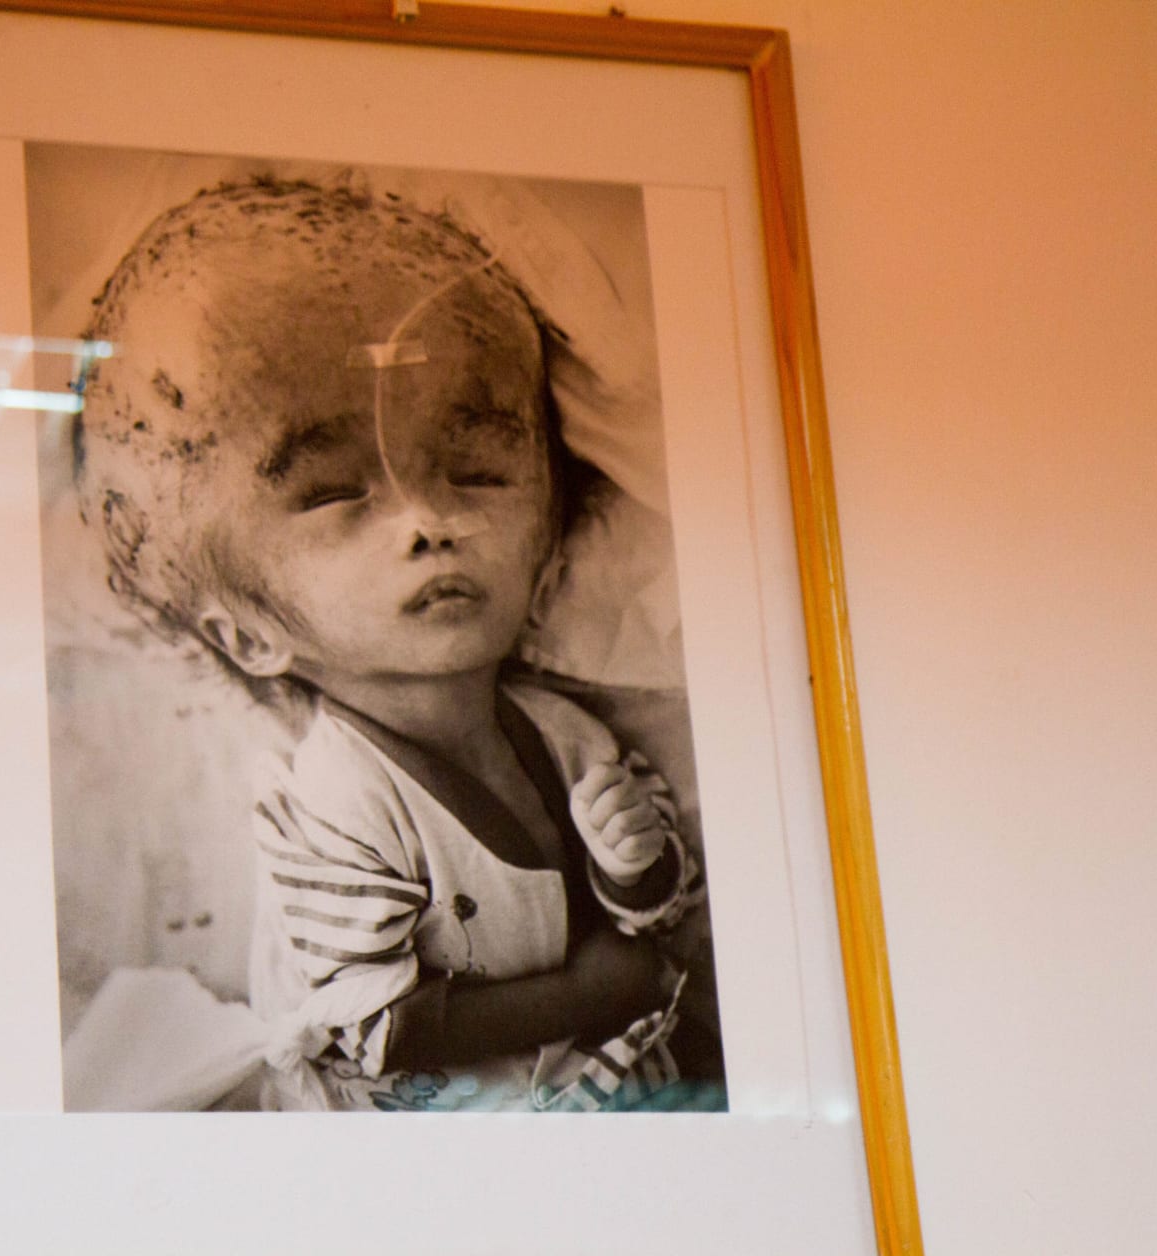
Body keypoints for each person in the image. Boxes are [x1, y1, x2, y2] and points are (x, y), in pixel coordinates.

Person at [72, 175, 711, 1111]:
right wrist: (595, 990)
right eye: (336, 493)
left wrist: (634, 865)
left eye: (477, 473)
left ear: (548, 551)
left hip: (605, 1086)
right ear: (246, 634)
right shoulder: (330, 805)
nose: (428, 519)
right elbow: (379, 1031)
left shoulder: (569, 736)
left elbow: (660, 909)